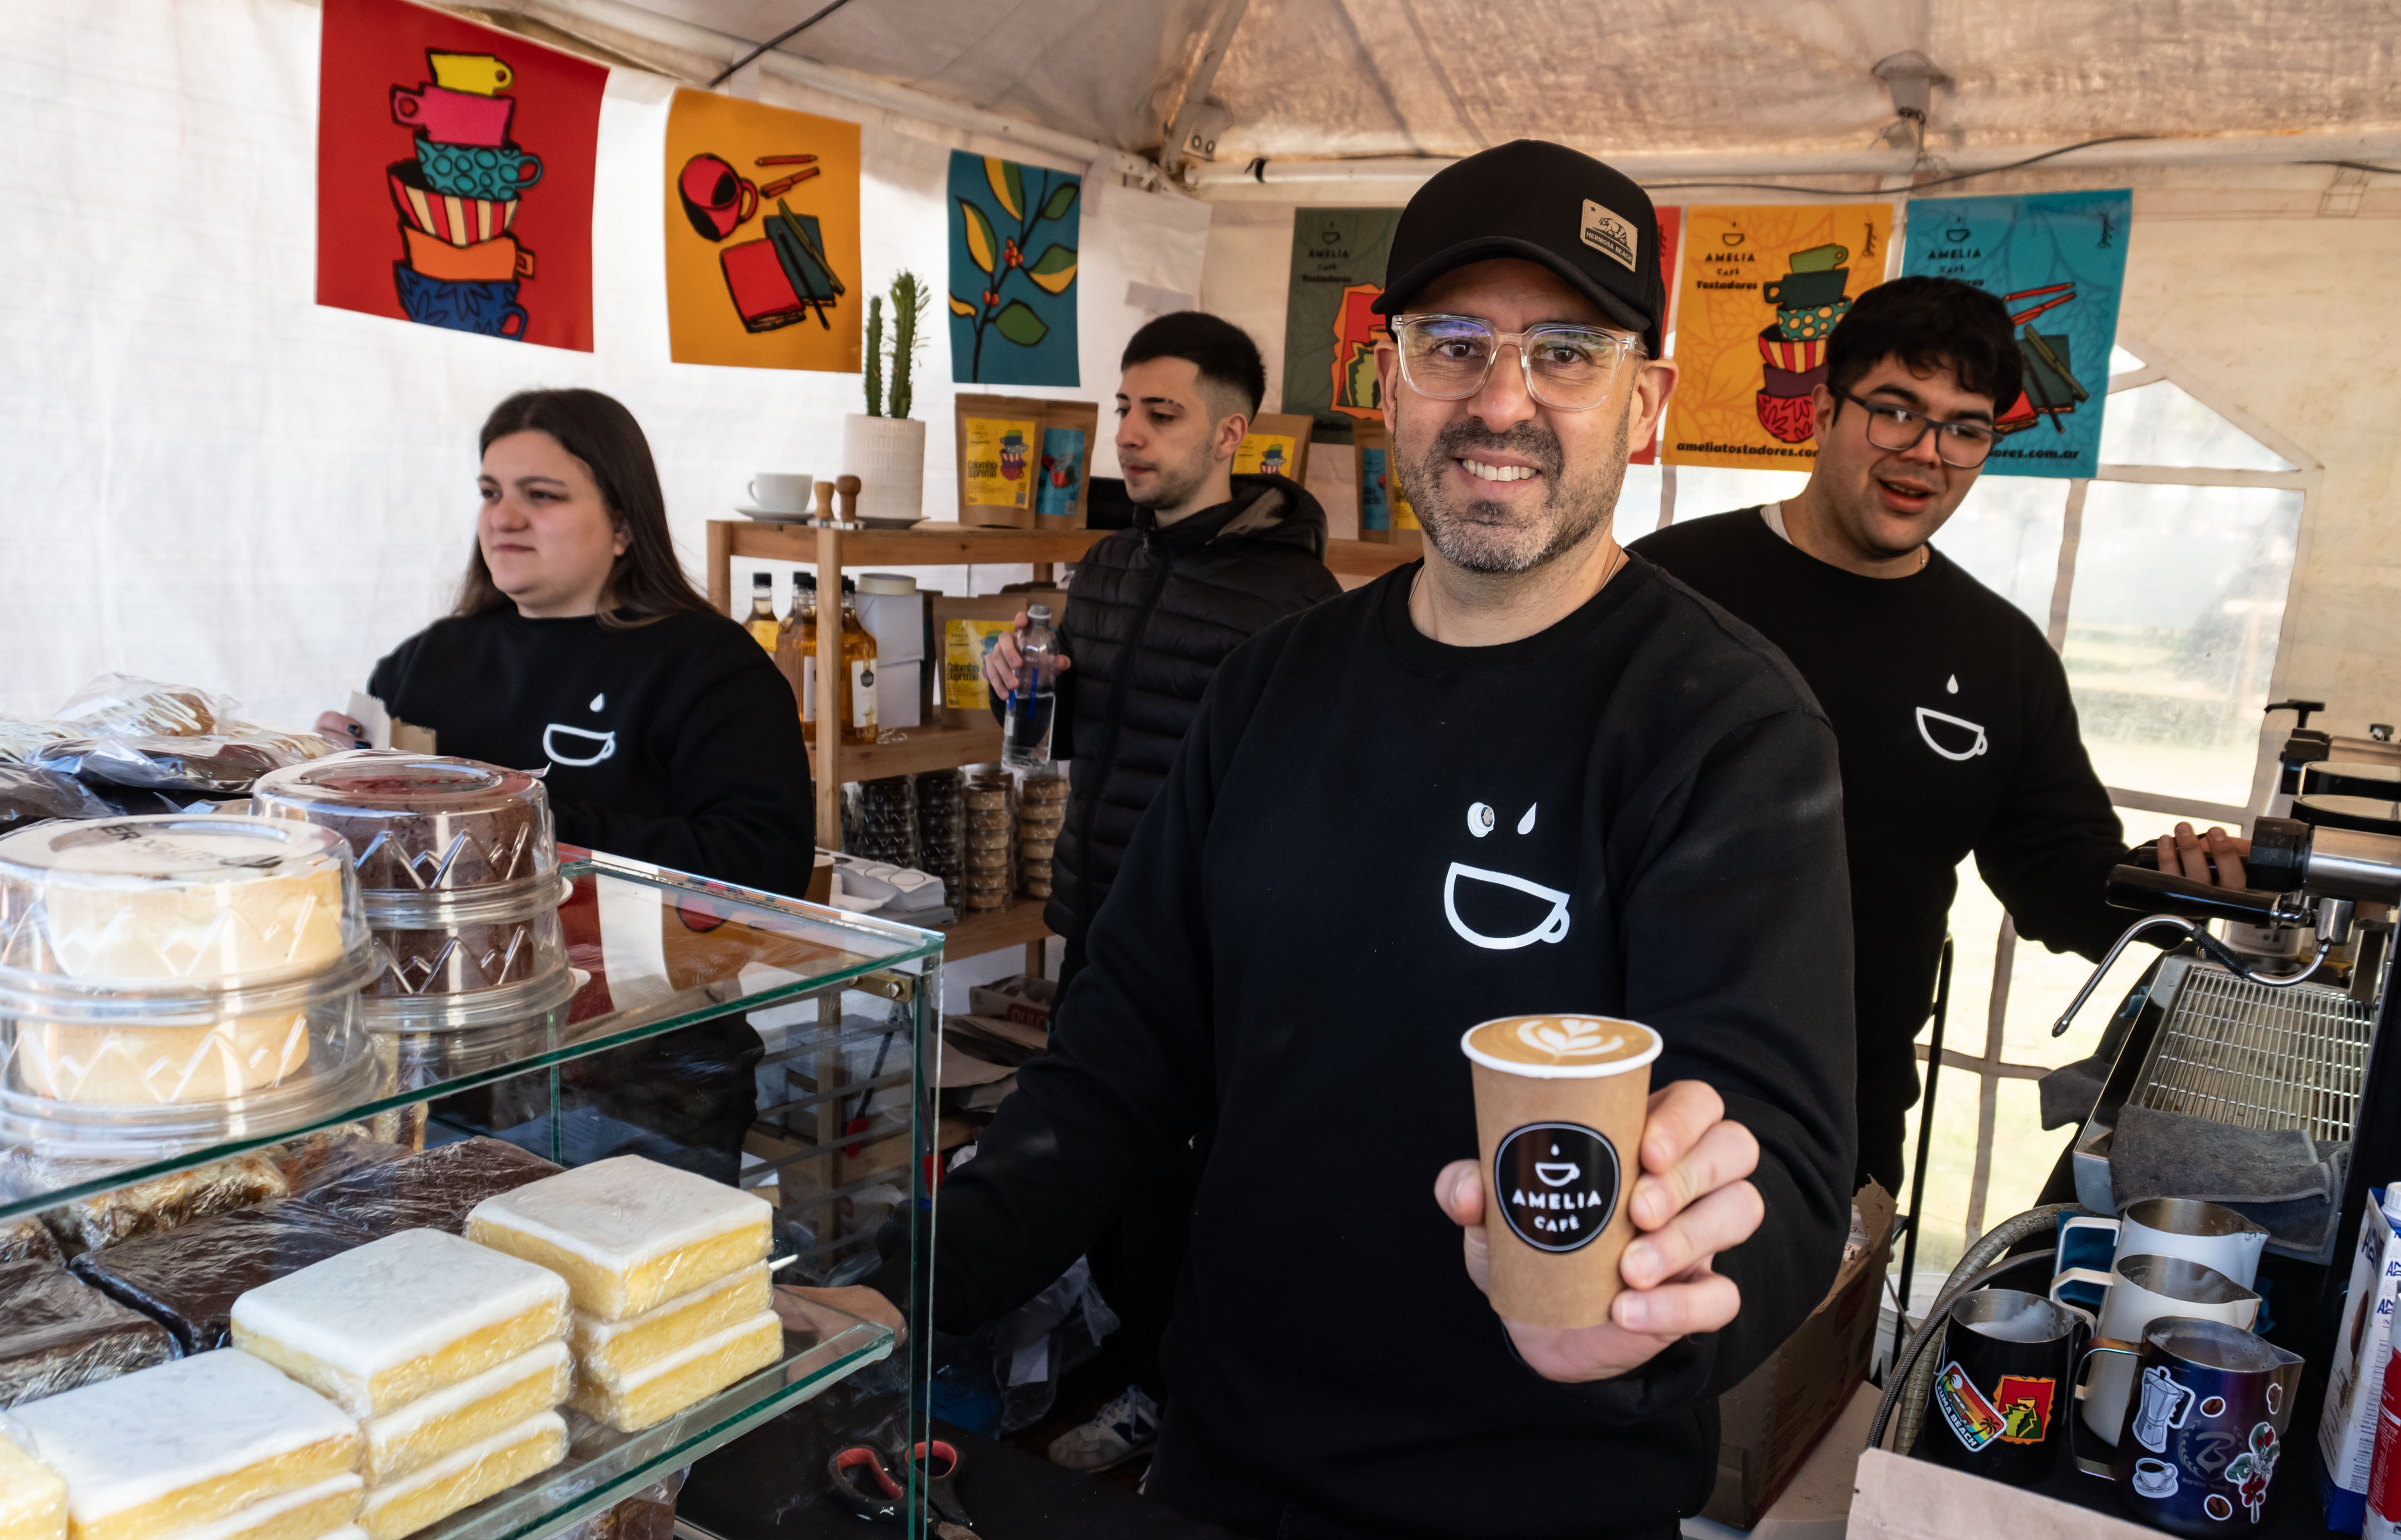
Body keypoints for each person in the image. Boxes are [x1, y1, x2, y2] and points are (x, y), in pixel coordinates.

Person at [845, 140, 1856, 1539]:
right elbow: (1119, 1056)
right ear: (1385, 378)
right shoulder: (1275, 682)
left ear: (1646, 403)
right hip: (1222, 1463)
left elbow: (1779, 1148)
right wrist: (906, 1283)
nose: (1499, 401)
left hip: (1540, 1495)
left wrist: (1659, 1314)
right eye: (1452, 344)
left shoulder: (1720, 723)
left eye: (1564, 353)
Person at [1631, 277, 2247, 1197]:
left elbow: (2057, 877)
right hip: (1635, 1079)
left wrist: (2177, 884)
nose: (1925, 453)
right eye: (1894, 412)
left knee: (1813, 1346)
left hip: (1847, 1110)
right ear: (1823, 411)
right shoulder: (1666, 591)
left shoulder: (2000, 656)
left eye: (1963, 428)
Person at [977, 311, 1340, 1472]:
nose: (1126, 435)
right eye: (1121, 410)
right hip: (1099, 921)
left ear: (1231, 431)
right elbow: (1081, 736)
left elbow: (1307, 795)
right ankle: (1118, 1360)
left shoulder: (1295, 600)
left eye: (1159, 413)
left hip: (1216, 953)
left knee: (1199, 1189)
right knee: (1102, 1169)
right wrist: (1016, 689)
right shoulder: (1109, 563)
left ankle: (1180, 1405)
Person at [319, 388, 814, 1180]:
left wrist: (510, 822)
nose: (503, 518)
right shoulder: (431, 658)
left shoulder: (708, 665)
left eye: (540, 495)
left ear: (624, 523)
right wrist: (342, 782)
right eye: (491, 492)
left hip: (636, 1083)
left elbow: (763, 862)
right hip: (434, 1076)